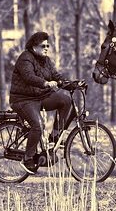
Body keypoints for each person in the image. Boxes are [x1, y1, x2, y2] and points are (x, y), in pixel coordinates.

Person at [9, 31, 75, 174]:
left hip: (40, 97)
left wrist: (69, 83)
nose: (46, 48)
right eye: (43, 45)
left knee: (66, 100)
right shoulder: (25, 58)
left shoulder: (46, 60)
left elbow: (56, 76)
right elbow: (28, 77)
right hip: (23, 99)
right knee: (38, 125)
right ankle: (28, 158)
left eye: (48, 45)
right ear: (34, 47)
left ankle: (55, 135)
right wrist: (45, 83)